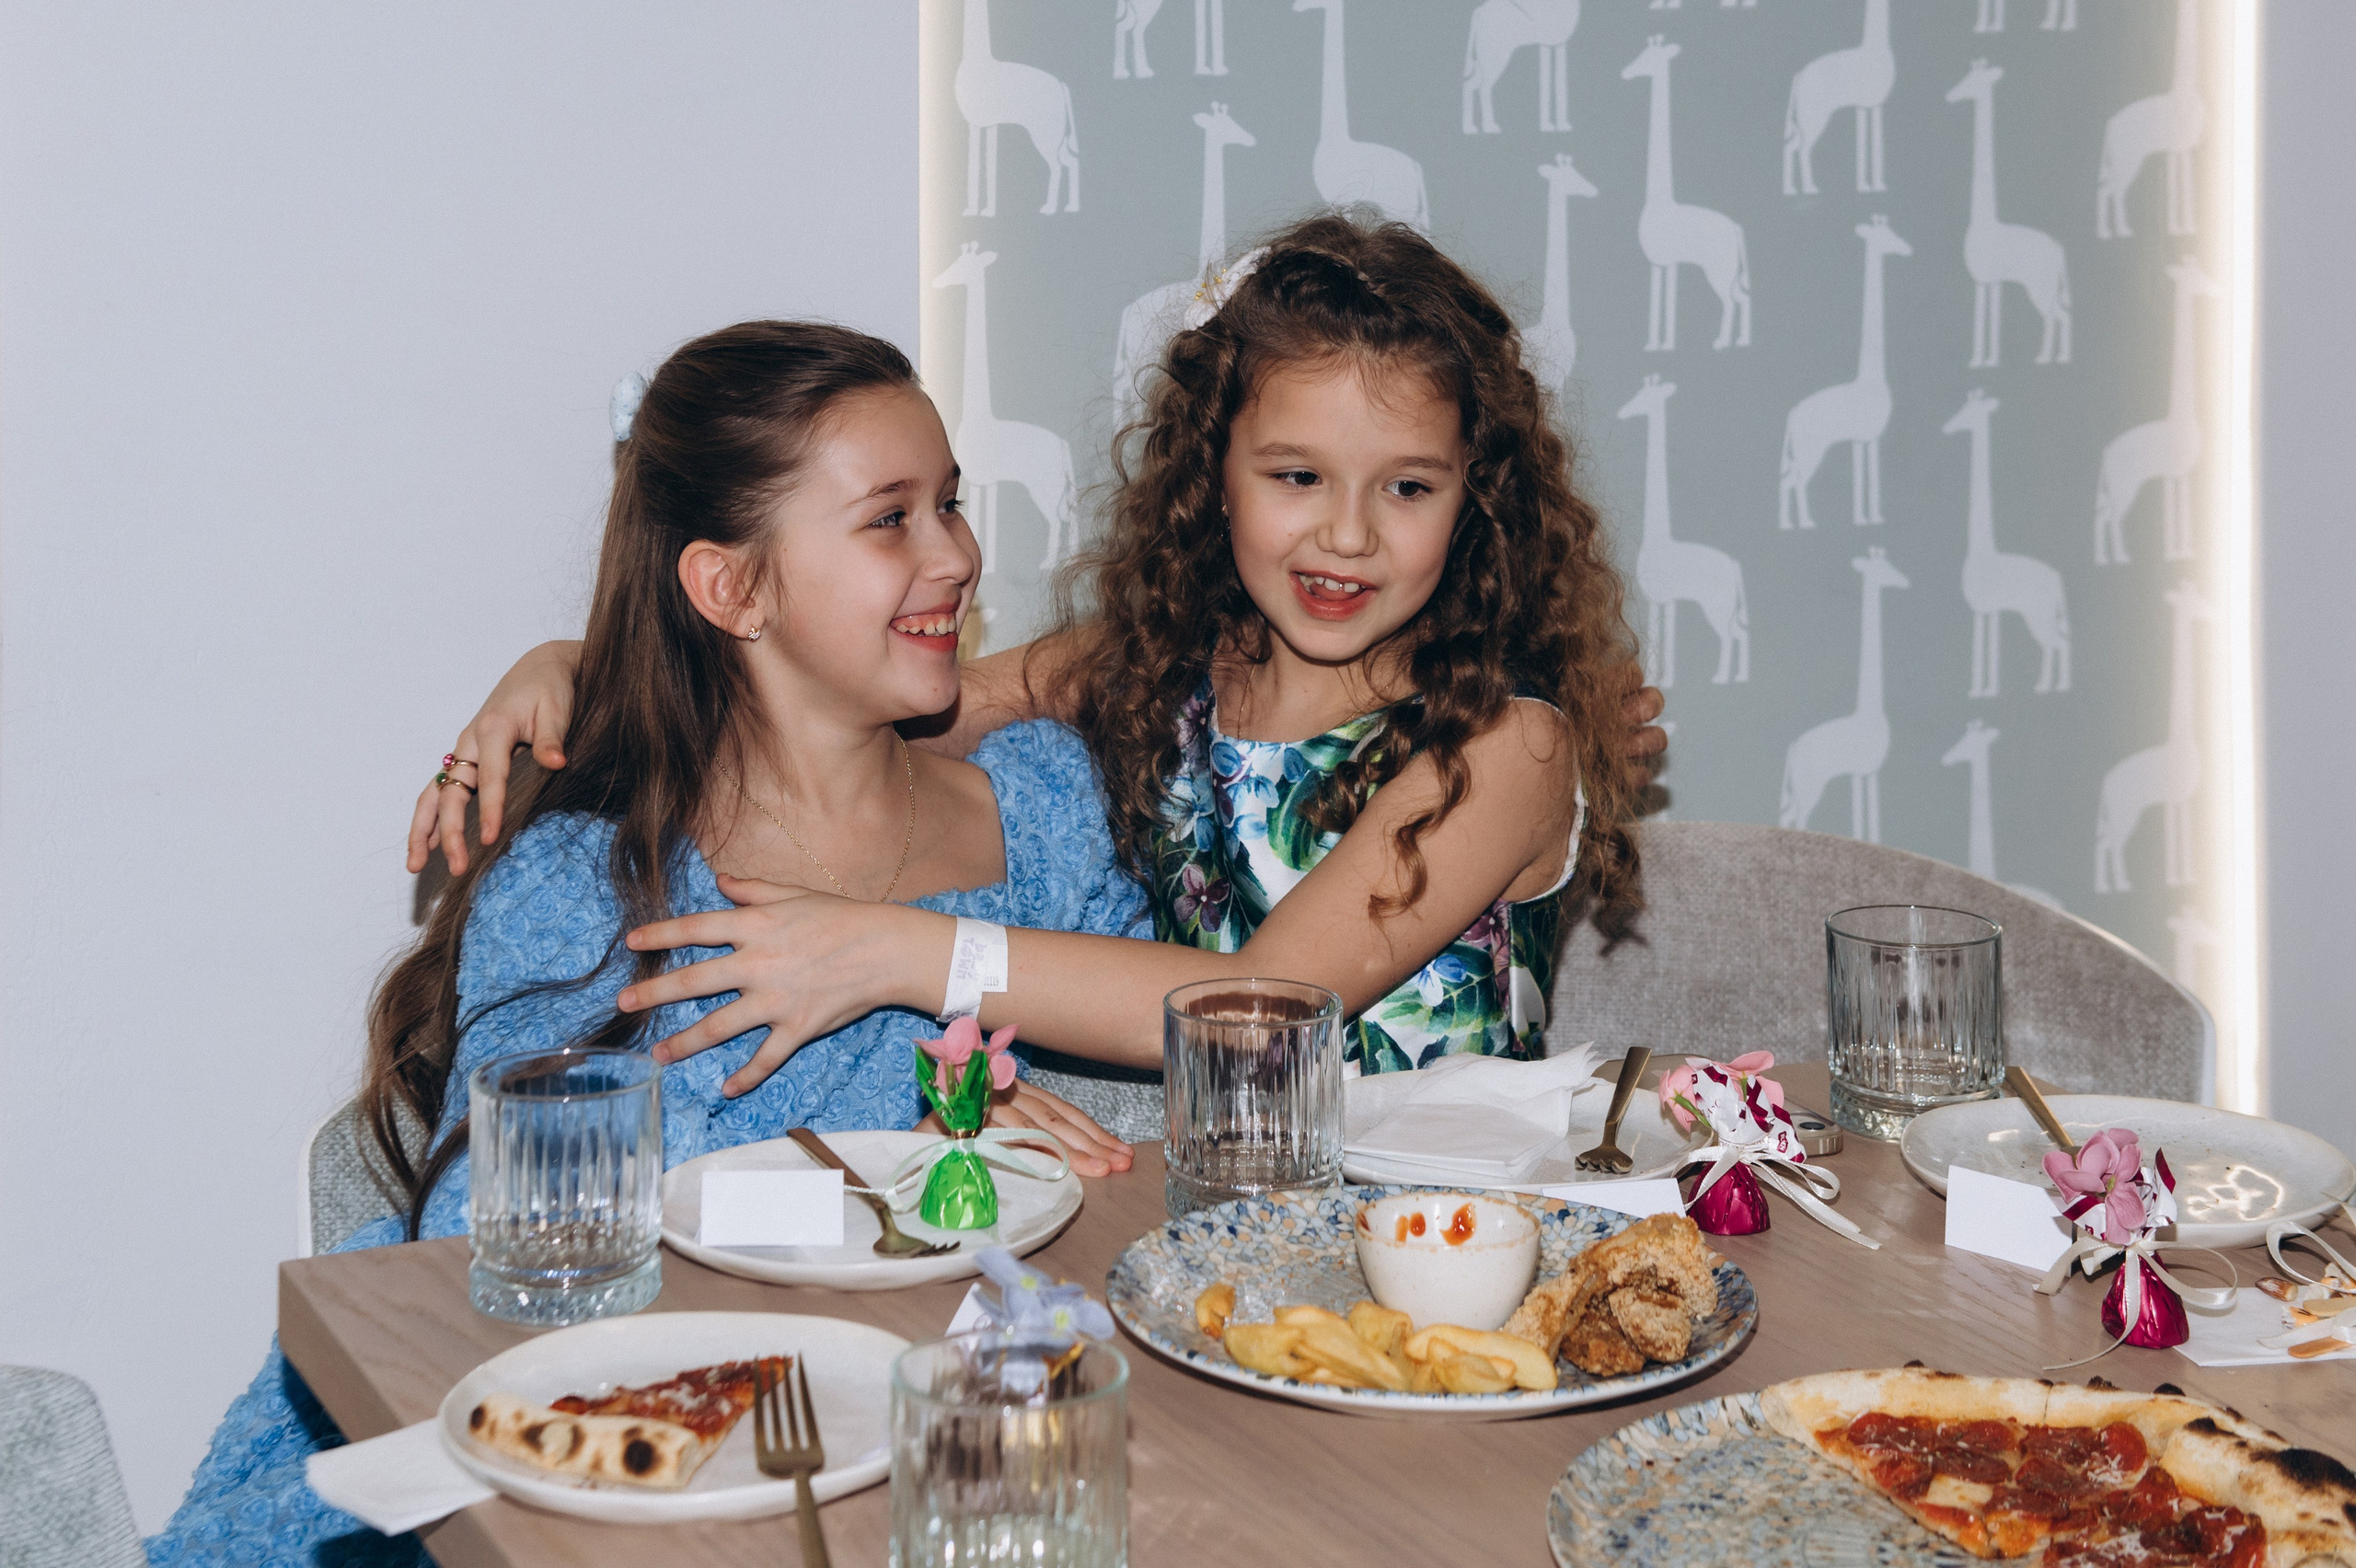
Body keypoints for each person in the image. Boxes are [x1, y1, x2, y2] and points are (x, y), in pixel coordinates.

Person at [148, 321, 1138, 1566]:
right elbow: (503, 1261)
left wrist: (987, 1102)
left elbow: (1201, 1032)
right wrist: (921, 1150)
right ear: (732, 588)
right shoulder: (594, 883)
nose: (957, 554)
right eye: (891, 519)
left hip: (909, 1461)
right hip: (576, 1476)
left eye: (950, 503)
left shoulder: (1037, 812)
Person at [420, 214, 1665, 1139]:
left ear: (1479, 502)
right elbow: (844, 684)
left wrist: (903, 952)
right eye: (1296, 476)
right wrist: (586, 664)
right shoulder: (1145, 674)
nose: (1348, 534)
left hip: (1460, 1247)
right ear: (1210, 471)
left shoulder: (1507, 751)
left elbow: (1262, 1006)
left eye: (1409, 486)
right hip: (1206, 1256)